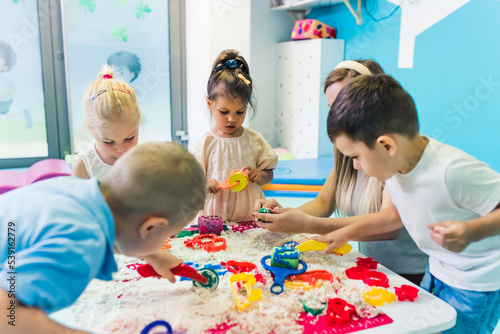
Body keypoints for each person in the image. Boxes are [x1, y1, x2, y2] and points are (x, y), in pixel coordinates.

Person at [322, 74, 500, 333]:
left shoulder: (451, 170)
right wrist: (346, 232)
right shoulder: (395, 167)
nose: (355, 166)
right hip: (438, 268)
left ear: (386, 145)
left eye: (356, 156)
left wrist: (472, 231)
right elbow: (394, 216)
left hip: (476, 283)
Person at [0, 141, 206, 334]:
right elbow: (7, 315)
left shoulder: (76, 190)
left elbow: (110, 227)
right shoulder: (81, 244)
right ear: (150, 227)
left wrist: (153, 255)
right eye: (168, 235)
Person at [254, 60, 428, 285]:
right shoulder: (348, 151)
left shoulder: (390, 152)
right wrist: (284, 216)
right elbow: (324, 203)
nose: (341, 117)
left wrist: (305, 224)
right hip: (372, 264)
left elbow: (389, 224)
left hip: (409, 272)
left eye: (346, 104)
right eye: (333, 109)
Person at [191, 49, 278, 223]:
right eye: (224, 112)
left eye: (240, 111)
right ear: (210, 103)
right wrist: (205, 184)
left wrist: (259, 175)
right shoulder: (205, 143)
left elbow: (269, 173)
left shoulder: (254, 140)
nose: (232, 119)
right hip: (214, 217)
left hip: (249, 213)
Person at [72, 65, 141, 180]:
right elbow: (78, 197)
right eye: (108, 142)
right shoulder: (85, 164)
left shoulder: (142, 159)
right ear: (91, 129)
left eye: (129, 138)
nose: (121, 148)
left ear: (137, 123)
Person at [0, 40, 32, 129]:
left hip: (4, 101)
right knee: (6, 116)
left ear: (5, 67)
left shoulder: (3, 79)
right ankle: (22, 113)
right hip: (6, 102)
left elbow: (15, 90)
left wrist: (3, 93)